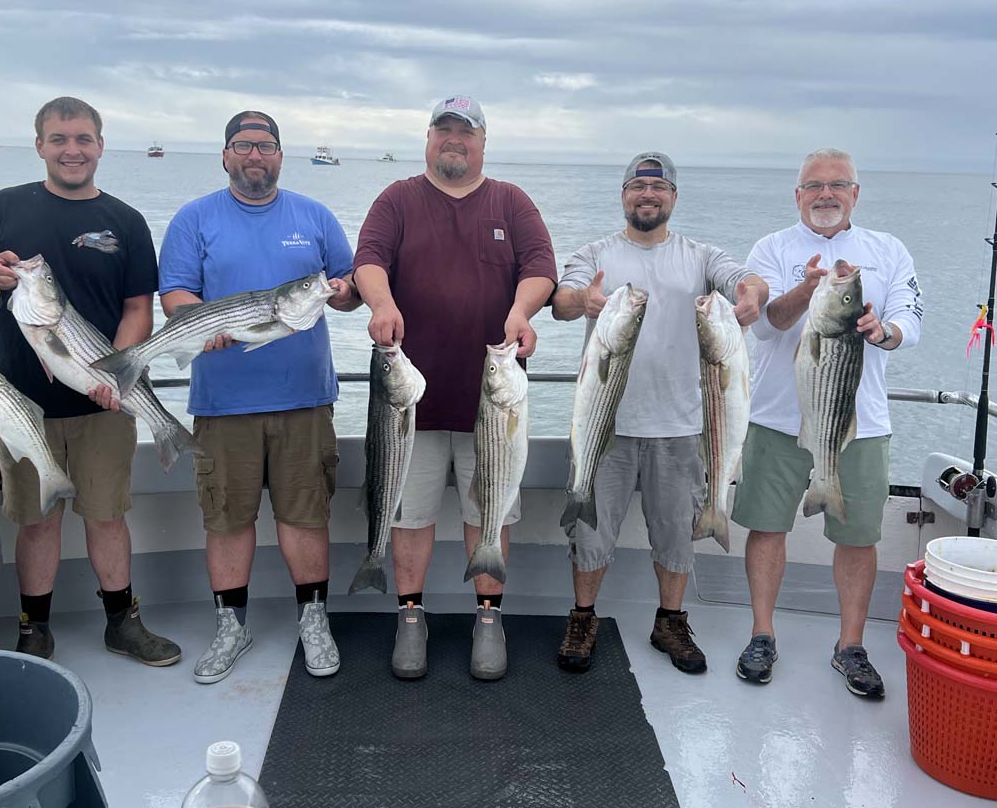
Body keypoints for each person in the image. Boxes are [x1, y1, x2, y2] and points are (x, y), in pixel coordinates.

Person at [0, 97, 180, 667]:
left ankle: (121, 622)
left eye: (83, 139)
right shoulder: (5, 207)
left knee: (107, 515)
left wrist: (120, 371)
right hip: (18, 405)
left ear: (101, 146)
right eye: (58, 139)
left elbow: (139, 308)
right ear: (39, 146)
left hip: (102, 404)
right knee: (37, 521)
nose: (72, 150)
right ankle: (35, 628)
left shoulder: (126, 221)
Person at [354, 95, 557, 681]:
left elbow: (540, 267)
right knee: (408, 514)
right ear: (428, 138)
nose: (454, 140)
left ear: (483, 142)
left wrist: (521, 312)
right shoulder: (397, 198)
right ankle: (410, 616)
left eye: (465, 132)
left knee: (489, 511)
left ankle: (488, 618)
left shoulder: (511, 201)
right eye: (443, 130)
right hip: (407, 403)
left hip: (492, 404)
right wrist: (383, 302)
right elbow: (368, 259)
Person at [157, 110, 360, 684]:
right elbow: (175, 292)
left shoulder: (314, 216)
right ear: (225, 154)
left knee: (305, 515)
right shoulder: (195, 218)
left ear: (280, 155)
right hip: (222, 403)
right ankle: (231, 625)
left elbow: (345, 289)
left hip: (304, 399)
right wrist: (197, 323)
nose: (255, 155)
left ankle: (314, 619)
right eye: (244, 145)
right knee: (226, 518)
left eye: (266, 146)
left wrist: (343, 292)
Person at [551, 152, 768, 676]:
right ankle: (584, 617)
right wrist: (585, 300)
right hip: (606, 428)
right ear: (622, 195)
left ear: (673, 197)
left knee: (675, 530)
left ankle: (670, 619)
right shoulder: (596, 252)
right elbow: (559, 301)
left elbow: (746, 280)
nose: (647, 195)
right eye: (637, 186)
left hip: (682, 424)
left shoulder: (699, 255)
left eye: (658, 187)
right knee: (591, 531)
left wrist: (751, 295)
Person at [732, 147, 921, 700]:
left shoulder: (888, 250)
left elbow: (912, 317)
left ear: (856, 194)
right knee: (767, 526)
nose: (826, 194)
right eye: (814, 185)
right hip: (775, 418)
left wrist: (882, 330)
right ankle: (762, 634)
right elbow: (768, 325)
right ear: (797, 195)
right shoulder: (771, 248)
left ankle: (851, 645)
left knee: (857, 536)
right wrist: (808, 290)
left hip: (858, 423)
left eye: (839, 184)